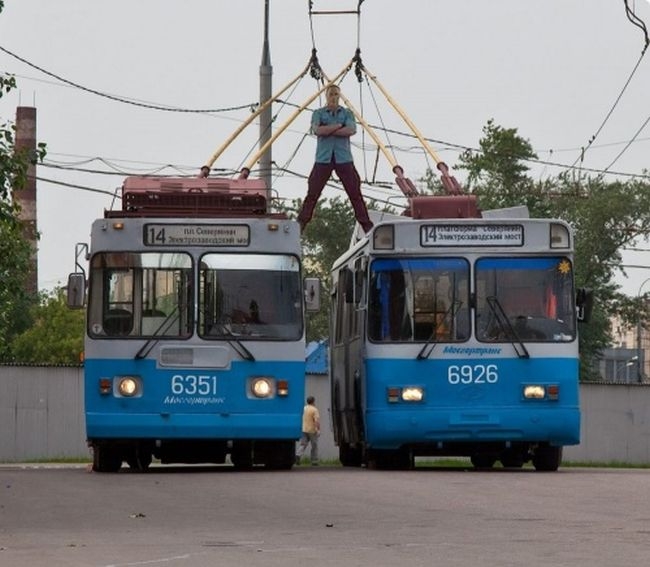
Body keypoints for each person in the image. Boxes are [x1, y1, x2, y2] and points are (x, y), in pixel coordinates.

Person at [297, 84, 373, 234]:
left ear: (339, 96)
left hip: (343, 158)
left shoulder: (347, 113)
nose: (334, 97)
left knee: (355, 193)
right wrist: (339, 126)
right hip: (323, 159)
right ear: (326, 96)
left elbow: (351, 130)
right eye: (331, 94)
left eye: (336, 94)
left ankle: (367, 227)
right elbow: (317, 130)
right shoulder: (318, 113)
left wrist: (328, 129)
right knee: (313, 192)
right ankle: (301, 224)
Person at [296, 396, 320, 466]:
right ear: (313, 401)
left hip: (304, 429)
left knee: (303, 444)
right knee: (314, 445)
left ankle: (298, 455)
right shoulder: (314, 410)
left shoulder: (304, 408)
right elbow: (316, 421)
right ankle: (314, 461)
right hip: (312, 430)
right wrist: (318, 430)